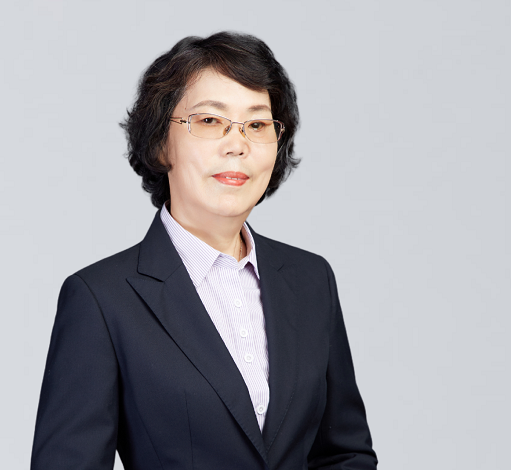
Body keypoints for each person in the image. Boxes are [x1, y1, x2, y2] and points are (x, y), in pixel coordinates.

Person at [31, 32, 378, 470]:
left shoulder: (310, 279)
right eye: (210, 121)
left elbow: (344, 453)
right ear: (161, 142)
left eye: (257, 125)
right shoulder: (101, 299)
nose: (238, 144)